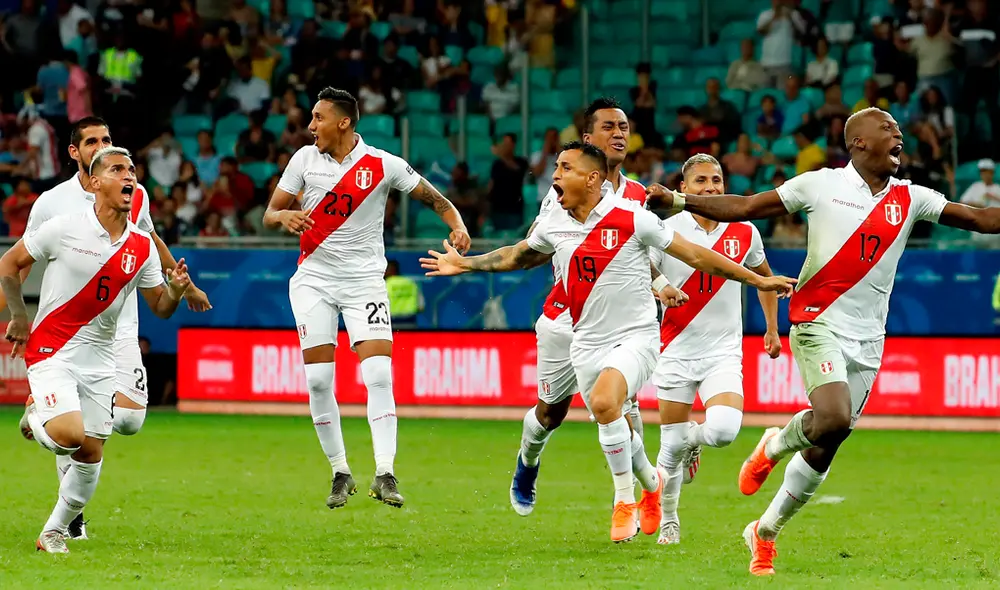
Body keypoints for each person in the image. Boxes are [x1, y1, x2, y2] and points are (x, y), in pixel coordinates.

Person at [646, 107, 1000, 576]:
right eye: (888, 129)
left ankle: (765, 531)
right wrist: (679, 201)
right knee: (831, 416)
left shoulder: (912, 198)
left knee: (827, 441)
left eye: (898, 130)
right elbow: (749, 207)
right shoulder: (819, 185)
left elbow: (979, 218)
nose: (899, 136)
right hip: (817, 322)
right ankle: (772, 450)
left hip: (869, 338)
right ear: (858, 143)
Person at [420, 142, 796, 543]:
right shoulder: (555, 224)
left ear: (593, 179)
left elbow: (697, 256)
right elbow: (517, 256)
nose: (556, 175)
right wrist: (465, 262)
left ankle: (623, 500)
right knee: (607, 415)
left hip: (638, 338)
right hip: (585, 343)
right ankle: (651, 481)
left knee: (604, 403)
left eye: (565, 168)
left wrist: (757, 280)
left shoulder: (634, 218)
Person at [0, 117, 213, 540]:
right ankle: (67, 523)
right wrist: (18, 317)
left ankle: (48, 420)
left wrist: (179, 283)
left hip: (117, 325)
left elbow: (150, 244)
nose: (106, 150)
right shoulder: (53, 207)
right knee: (72, 434)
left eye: (109, 141)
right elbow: (18, 261)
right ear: (76, 154)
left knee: (129, 422)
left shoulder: (136, 202)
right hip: (64, 329)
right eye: (94, 143)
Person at [262, 88, 471, 509]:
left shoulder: (382, 164)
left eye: (318, 118)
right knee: (320, 380)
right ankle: (340, 472)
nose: (310, 126)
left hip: (364, 283)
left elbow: (435, 198)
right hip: (314, 280)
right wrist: (283, 215)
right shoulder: (303, 159)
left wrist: (458, 225)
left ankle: (385, 473)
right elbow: (270, 214)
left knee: (378, 374)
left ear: (343, 122)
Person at [506, 98, 672, 519]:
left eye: (624, 126)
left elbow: (633, 251)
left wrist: (660, 282)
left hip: (621, 325)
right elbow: (539, 245)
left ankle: (635, 498)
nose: (619, 134)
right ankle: (528, 461)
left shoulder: (638, 195)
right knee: (550, 413)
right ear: (587, 140)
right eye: (609, 127)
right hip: (565, 319)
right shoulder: (563, 190)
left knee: (617, 409)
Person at [649, 154, 781, 546]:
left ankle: (694, 440)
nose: (711, 188)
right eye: (702, 181)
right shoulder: (665, 228)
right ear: (683, 188)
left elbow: (764, 279)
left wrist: (773, 329)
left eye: (717, 181)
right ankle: (670, 518)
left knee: (723, 430)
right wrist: (661, 287)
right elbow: (645, 270)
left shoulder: (745, 231)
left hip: (723, 350)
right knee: (668, 451)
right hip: (674, 347)